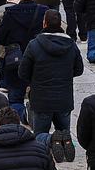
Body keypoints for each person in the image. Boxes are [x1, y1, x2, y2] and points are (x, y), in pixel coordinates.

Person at [20, 9, 84, 160]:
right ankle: (64, 141)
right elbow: (79, 69)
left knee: (39, 136)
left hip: (41, 99)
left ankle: (50, 140)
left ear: (44, 23)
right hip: (64, 98)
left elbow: (23, 73)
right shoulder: (70, 44)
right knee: (64, 132)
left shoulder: (34, 45)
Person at [0, 0, 47, 118]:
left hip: (15, 58)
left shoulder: (10, 12)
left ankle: (22, 115)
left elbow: (1, 38)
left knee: (15, 95)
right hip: (37, 56)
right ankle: (34, 114)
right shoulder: (43, 11)